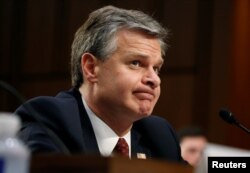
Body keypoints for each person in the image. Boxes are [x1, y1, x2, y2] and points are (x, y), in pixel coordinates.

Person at [15, 5, 183, 162]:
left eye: (156, 68)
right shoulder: (50, 119)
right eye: (136, 63)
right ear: (91, 68)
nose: (154, 79)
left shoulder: (160, 135)